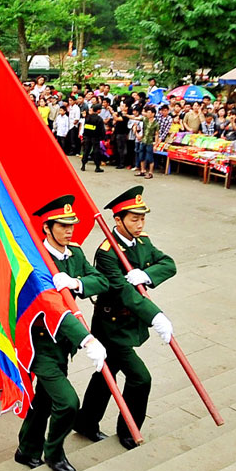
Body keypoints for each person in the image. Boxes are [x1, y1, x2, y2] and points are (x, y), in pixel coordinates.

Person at [75, 187, 176, 450]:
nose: (140, 224)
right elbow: (123, 293)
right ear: (118, 220)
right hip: (112, 327)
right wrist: (156, 317)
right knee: (141, 378)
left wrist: (147, 274)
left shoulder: (143, 241)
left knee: (105, 374)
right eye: (134, 219)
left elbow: (168, 263)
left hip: (131, 324)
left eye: (142, 218)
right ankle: (129, 430)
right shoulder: (107, 252)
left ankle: (86, 422)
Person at [16, 195, 109, 471]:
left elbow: (101, 280)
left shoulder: (75, 254)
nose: (70, 231)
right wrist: (87, 339)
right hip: (41, 345)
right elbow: (54, 310)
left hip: (63, 347)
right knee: (67, 403)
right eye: (63, 226)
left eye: (72, 225)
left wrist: (77, 282)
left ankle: (26, 449)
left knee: (44, 400)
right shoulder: (35, 261)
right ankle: (53, 452)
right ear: (47, 227)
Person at [81, 104, 106, 172]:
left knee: (86, 151)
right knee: (96, 151)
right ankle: (97, 166)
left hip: (87, 136)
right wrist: (103, 137)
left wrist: (84, 136)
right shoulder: (99, 119)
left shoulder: (88, 117)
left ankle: (83, 165)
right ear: (98, 110)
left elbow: (85, 127)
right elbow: (102, 129)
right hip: (95, 137)